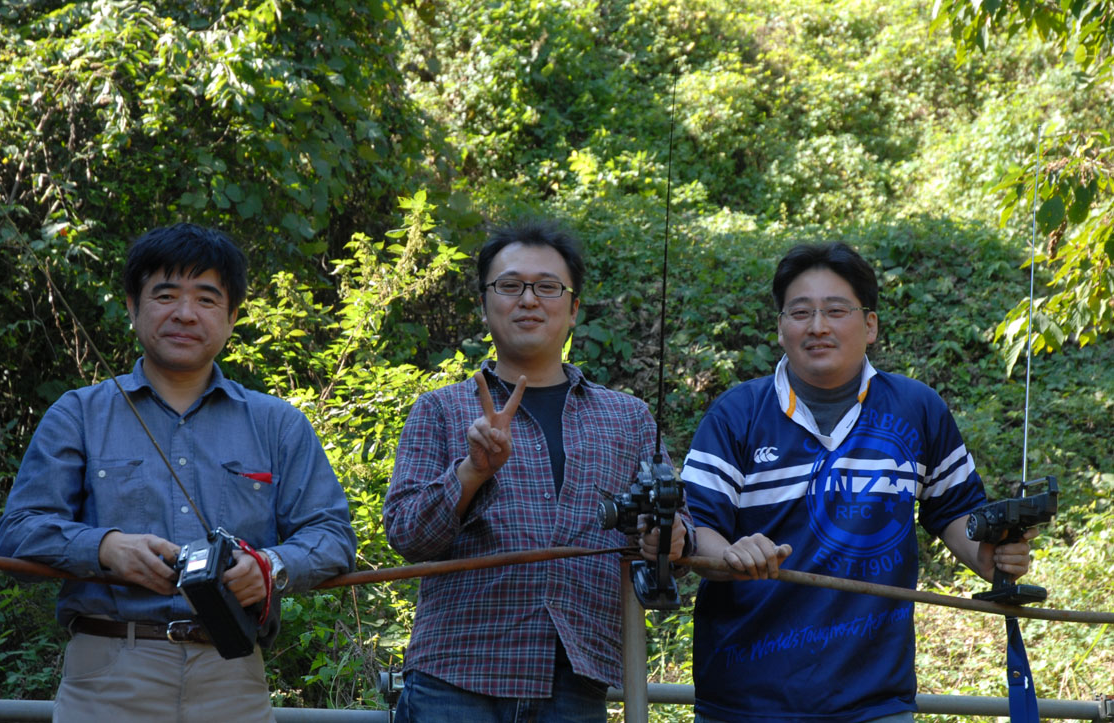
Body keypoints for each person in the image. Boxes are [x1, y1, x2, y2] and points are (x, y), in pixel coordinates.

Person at [0, 223, 357, 721]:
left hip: (233, 677)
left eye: (207, 299)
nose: (185, 313)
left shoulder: (279, 424)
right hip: (107, 675)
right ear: (132, 307)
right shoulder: (78, 414)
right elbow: (16, 533)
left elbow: (332, 535)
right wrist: (105, 548)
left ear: (232, 317)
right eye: (165, 295)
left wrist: (270, 566)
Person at [681, 242, 1036, 723]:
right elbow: (696, 528)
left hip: (874, 700)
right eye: (800, 312)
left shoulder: (916, 409)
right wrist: (731, 555)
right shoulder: (736, 414)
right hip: (743, 699)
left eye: (836, 310)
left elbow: (955, 512)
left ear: (870, 325)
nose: (817, 326)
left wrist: (989, 557)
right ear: (781, 328)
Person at [383, 218, 694, 722]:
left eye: (547, 287)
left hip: (576, 680)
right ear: (484, 304)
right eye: (510, 286)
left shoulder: (628, 417)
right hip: (455, 677)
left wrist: (671, 538)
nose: (528, 300)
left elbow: (679, 536)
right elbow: (406, 535)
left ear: (573, 309)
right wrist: (471, 473)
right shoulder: (440, 409)